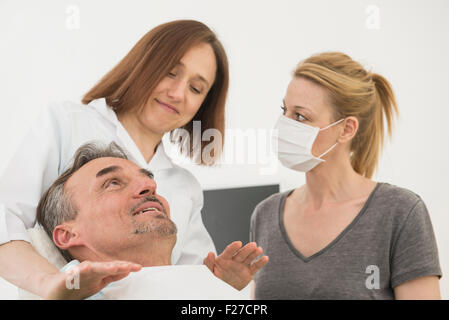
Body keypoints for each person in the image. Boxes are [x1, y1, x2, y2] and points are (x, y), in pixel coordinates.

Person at [0, 20, 231, 298]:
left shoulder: (184, 187)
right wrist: (54, 283)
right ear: (145, 64)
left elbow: (190, 279)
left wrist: (225, 284)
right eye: (170, 73)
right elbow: (5, 217)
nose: (178, 94)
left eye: (196, 89)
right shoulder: (68, 123)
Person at [250, 52, 442, 299]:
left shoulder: (400, 212)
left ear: (346, 129)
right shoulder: (264, 215)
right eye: (284, 110)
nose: (284, 125)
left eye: (300, 116)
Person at [35, 142, 268, 299]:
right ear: (68, 235)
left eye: (147, 179)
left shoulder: (212, 283)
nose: (149, 186)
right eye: (112, 183)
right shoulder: (74, 287)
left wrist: (224, 292)